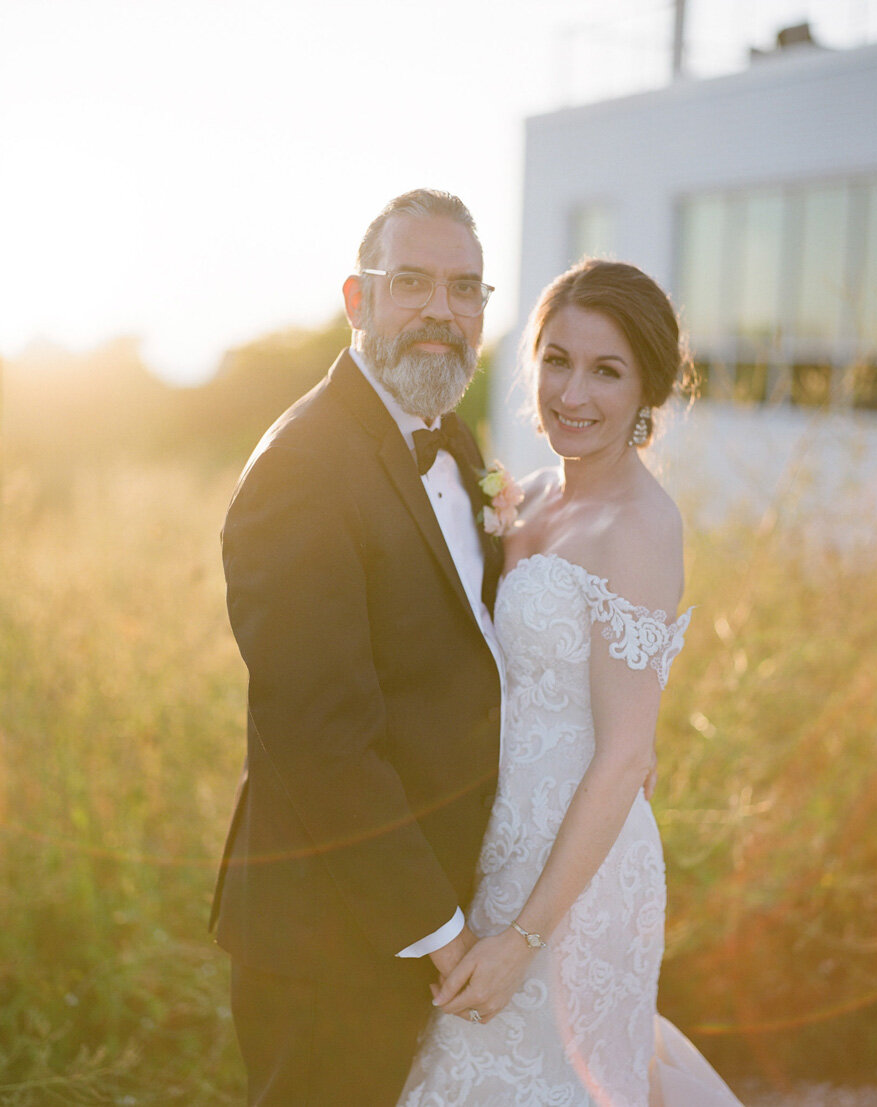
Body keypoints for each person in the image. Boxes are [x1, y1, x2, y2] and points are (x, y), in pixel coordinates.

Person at [399, 259, 743, 1106]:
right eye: (556, 359)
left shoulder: (642, 525)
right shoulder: (534, 498)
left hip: (577, 871)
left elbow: (627, 757)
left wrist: (521, 936)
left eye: (606, 369)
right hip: (496, 842)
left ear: (647, 390)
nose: (572, 392)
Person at [209, 189, 506, 1106]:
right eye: (410, 281)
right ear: (357, 299)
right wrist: (441, 930)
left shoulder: (456, 436)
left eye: (464, 288)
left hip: (450, 912)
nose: (440, 309)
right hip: (332, 939)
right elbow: (322, 737)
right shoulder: (304, 468)